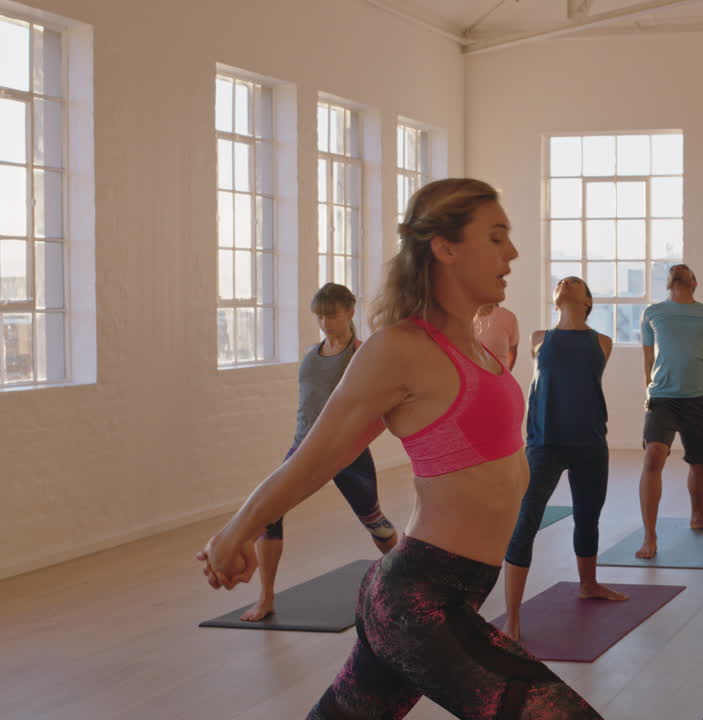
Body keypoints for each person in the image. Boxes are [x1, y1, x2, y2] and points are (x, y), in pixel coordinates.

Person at [197, 179, 602, 719]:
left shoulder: (476, 345)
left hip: (451, 593)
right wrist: (235, 533)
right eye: (497, 237)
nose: (513, 253)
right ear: (446, 247)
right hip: (417, 601)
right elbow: (315, 456)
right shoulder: (400, 349)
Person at [239, 283, 398, 622]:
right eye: (320, 316)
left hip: (346, 451)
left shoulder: (361, 354)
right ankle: (266, 598)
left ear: (350, 312)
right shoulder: (312, 355)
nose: (325, 322)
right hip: (303, 449)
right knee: (270, 515)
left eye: (332, 315)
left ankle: (406, 588)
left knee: (377, 525)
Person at [502, 276, 627, 642]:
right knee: (525, 521)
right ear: (555, 298)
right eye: (560, 281)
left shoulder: (602, 341)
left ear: (588, 300)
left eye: (576, 282)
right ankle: (511, 618)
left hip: (589, 441)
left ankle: (588, 584)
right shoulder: (539, 338)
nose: (567, 281)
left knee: (588, 518)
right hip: (544, 442)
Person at [636, 263, 703, 559]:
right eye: (673, 270)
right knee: (653, 456)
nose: (678, 270)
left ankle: (698, 515)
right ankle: (650, 535)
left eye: (684, 269)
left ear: (694, 282)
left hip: (698, 398)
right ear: (667, 283)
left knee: (701, 463)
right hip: (662, 397)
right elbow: (648, 358)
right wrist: (648, 388)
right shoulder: (653, 313)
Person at [475, 302, 519, 371]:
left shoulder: (507, 316)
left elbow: (512, 351)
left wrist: (505, 376)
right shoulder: (463, 317)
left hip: (498, 376)